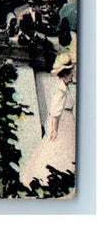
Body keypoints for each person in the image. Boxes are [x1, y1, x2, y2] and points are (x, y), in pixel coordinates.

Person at [21, 52, 76, 187]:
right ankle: (49, 178)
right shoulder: (60, 91)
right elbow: (55, 112)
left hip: (67, 122)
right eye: (70, 74)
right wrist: (55, 129)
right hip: (62, 124)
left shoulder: (64, 88)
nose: (72, 76)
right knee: (57, 149)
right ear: (64, 74)